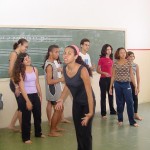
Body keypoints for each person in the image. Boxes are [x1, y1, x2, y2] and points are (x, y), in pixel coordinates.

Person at [55, 45, 95, 150]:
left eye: (69, 53)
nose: (65, 55)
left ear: (76, 56)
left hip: (87, 103)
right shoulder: (64, 68)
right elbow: (68, 85)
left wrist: (90, 112)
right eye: (64, 53)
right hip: (77, 102)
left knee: (85, 132)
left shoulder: (83, 70)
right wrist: (61, 99)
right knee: (78, 131)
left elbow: (89, 93)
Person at [12, 53, 44, 144]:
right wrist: (27, 101)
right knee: (26, 118)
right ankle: (26, 138)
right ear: (21, 62)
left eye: (29, 58)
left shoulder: (35, 69)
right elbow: (21, 87)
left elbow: (37, 83)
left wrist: (40, 94)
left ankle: (38, 133)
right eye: (26, 59)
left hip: (35, 95)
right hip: (25, 96)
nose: (28, 59)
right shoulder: (20, 72)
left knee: (38, 115)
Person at [109, 47, 139, 127]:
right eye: (121, 52)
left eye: (124, 52)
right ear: (118, 54)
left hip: (126, 84)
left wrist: (135, 86)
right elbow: (113, 76)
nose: (123, 54)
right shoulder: (115, 63)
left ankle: (132, 121)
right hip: (117, 84)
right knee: (119, 102)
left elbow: (132, 75)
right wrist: (110, 87)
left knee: (130, 102)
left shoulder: (129, 62)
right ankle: (120, 119)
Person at [43, 45, 64, 137]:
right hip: (53, 91)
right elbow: (49, 81)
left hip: (56, 90)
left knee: (60, 108)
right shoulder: (49, 65)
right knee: (58, 109)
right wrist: (61, 79)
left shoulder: (53, 63)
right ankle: (52, 131)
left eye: (58, 52)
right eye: (56, 52)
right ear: (50, 53)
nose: (57, 54)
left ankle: (55, 127)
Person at [8, 38, 28, 131]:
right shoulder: (14, 54)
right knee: (21, 106)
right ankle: (22, 128)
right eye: (25, 47)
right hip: (15, 83)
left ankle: (12, 125)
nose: (26, 49)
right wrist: (16, 86)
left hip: (19, 83)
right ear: (20, 44)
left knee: (20, 105)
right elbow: (11, 72)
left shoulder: (19, 54)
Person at [97, 44, 116, 119]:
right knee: (103, 96)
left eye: (110, 49)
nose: (109, 51)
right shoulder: (101, 59)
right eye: (107, 49)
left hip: (110, 79)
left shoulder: (111, 59)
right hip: (103, 80)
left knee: (111, 95)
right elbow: (98, 70)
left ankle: (112, 110)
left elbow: (113, 70)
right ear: (104, 50)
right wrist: (104, 73)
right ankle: (103, 113)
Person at [127, 51, 142, 120]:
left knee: (135, 99)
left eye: (132, 56)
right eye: (130, 56)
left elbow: (138, 77)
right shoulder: (124, 64)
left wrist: (138, 86)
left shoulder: (136, 65)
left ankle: (135, 114)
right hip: (125, 84)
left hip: (132, 84)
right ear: (127, 57)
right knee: (126, 100)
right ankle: (121, 115)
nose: (131, 57)